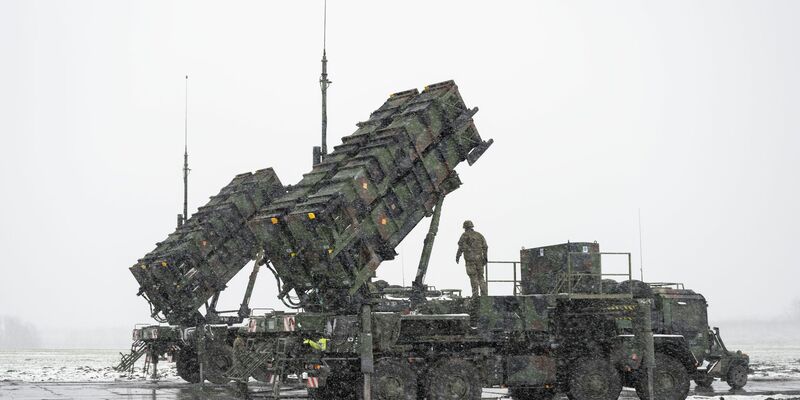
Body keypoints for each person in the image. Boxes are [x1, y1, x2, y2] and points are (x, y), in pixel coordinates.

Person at [456, 220, 488, 296]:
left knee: (473, 277)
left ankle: (475, 295)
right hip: (479, 260)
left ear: (465, 227)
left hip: (470, 261)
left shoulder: (464, 235)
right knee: (481, 277)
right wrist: (485, 257)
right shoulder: (479, 235)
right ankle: (484, 294)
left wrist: (458, 256)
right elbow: (485, 247)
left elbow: (461, 247)